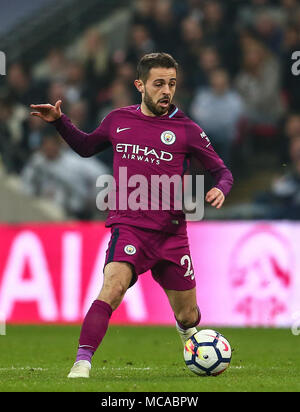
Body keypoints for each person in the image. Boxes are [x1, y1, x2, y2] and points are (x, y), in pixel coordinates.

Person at [30, 52, 233, 378]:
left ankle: (189, 338)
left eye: (172, 83)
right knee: (113, 287)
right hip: (130, 227)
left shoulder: (187, 130)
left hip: (172, 234)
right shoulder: (117, 120)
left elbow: (222, 171)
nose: (166, 90)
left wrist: (221, 187)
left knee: (188, 315)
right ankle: (82, 362)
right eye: (159, 84)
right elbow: (85, 146)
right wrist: (59, 121)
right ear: (140, 85)